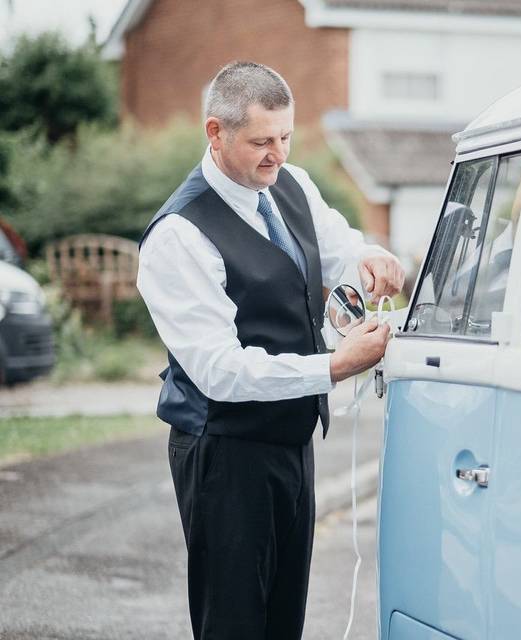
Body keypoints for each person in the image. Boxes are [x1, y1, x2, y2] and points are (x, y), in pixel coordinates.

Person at [136, 61, 404, 639]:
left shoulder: (293, 184)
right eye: (261, 141)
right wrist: (335, 367)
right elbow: (219, 371)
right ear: (215, 132)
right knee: (233, 625)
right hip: (224, 455)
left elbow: (336, 251)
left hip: (290, 442)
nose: (276, 155)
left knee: (285, 621)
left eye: (285, 137)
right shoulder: (178, 236)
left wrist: (371, 255)